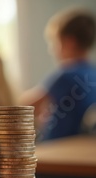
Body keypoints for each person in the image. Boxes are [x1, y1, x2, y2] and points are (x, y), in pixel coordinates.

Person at [24, 9, 96, 141]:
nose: (52, 50)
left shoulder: (66, 75)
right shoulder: (92, 73)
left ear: (69, 42)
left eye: (55, 43)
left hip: (59, 151)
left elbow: (23, 108)